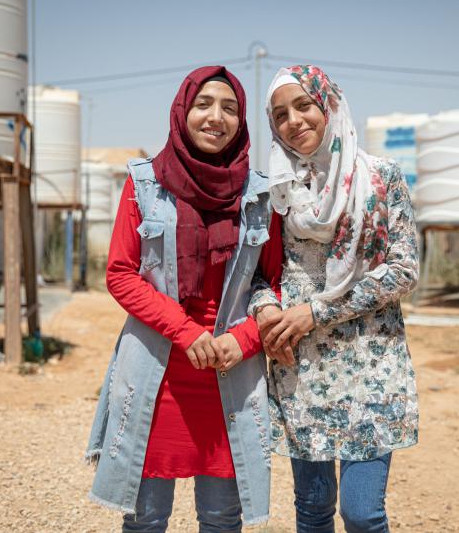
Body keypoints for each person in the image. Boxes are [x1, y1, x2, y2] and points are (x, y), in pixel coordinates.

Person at [85, 66, 282, 532]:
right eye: (204, 105)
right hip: (159, 372)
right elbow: (120, 273)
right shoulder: (144, 184)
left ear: (242, 120)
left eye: (230, 108)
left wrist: (247, 340)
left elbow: (275, 282)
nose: (216, 117)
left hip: (230, 372)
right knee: (147, 517)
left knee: (221, 517)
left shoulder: (260, 196)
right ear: (182, 111)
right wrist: (185, 331)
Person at [248, 65, 420, 532]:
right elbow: (258, 275)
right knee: (313, 509)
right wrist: (266, 310)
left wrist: (316, 312)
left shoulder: (380, 178)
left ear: (329, 104)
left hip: (371, 364)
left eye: (304, 105)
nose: (294, 121)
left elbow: (403, 271)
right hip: (301, 367)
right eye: (280, 114)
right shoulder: (274, 191)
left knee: (362, 514)